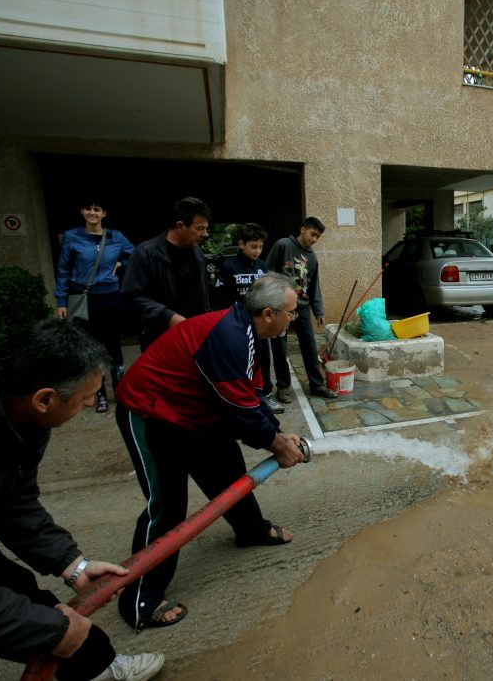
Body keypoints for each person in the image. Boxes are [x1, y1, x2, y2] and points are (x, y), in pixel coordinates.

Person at [0, 319, 164, 681]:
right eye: (86, 398)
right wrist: (50, 631)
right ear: (45, 399)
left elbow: (11, 498)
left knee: (19, 593)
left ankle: (97, 667)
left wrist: (72, 564)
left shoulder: (11, 403)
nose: (88, 405)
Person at [114, 273, 307, 631]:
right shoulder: (230, 337)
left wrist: (279, 434)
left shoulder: (252, 334)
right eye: (291, 313)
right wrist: (277, 445)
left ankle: (249, 530)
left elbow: (252, 399)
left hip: (198, 413)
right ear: (268, 313)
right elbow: (242, 415)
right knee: (167, 506)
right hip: (152, 413)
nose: (293, 319)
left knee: (228, 471)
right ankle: (140, 598)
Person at [54, 198, 135, 414]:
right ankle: (99, 394)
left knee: (113, 344)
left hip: (110, 296)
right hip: (84, 297)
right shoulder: (72, 237)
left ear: (104, 214)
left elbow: (135, 254)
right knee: (91, 346)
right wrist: (61, 300)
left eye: (97, 209)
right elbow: (63, 270)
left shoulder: (115, 236)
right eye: (88, 208)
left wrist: (122, 263)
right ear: (82, 211)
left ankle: (120, 390)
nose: (92, 212)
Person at [122, 196, 211, 351]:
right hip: (160, 340)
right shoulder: (146, 254)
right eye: (200, 228)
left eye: (206, 228)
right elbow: (131, 296)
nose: (205, 234)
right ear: (180, 226)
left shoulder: (198, 254)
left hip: (195, 337)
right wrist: (168, 317)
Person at [265, 216, 339, 401]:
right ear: (303, 229)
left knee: (309, 346)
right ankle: (283, 387)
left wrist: (319, 311)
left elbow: (314, 286)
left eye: (318, 237)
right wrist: (269, 303)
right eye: (313, 234)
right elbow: (268, 273)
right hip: (280, 307)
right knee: (280, 348)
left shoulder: (312, 257)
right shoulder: (283, 245)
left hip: (302, 307)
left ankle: (317, 384)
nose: (314, 240)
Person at [217, 223, 283, 414]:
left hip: (260, 327)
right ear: (241, 244)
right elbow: (222, 299)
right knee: (241, 362)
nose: (257, 251)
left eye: (260, 247)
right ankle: (242, 399)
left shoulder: (262, 267)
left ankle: (266, 396)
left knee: (262, 361)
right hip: (237, 326)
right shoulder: (228, 267)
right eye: (253, 246)